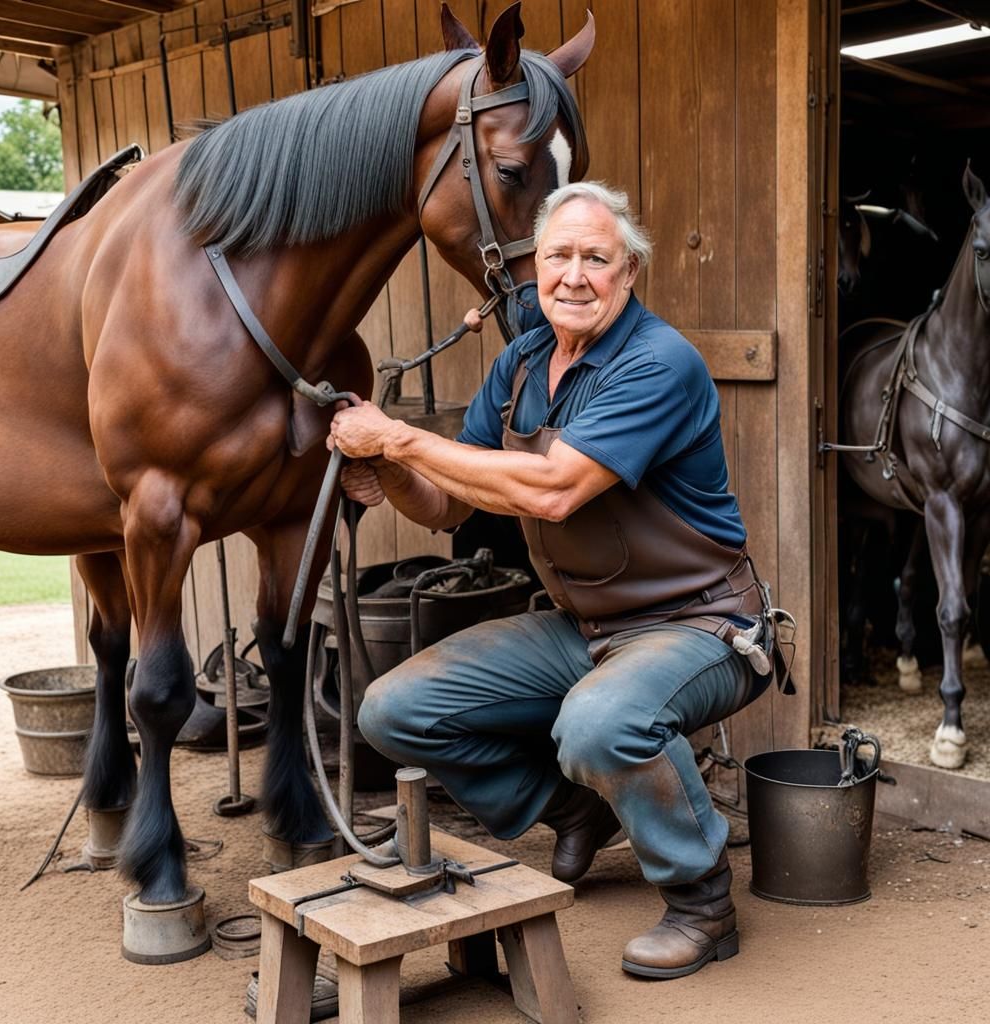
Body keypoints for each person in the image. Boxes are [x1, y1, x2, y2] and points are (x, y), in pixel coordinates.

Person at [328, 181, 779, 980]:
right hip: (587, 629)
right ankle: (573, 811)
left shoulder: (658, 362)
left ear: (629, 271)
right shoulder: (523, 359)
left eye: (596, 259)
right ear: (534, 265)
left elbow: (552, 489)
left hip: (699, 626)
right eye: (558, 255)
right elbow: (443, 508)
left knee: (599, 723)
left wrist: (398, 436)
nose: (574, 275)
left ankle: (703, 905)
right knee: (393, 709)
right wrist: (387, 468)